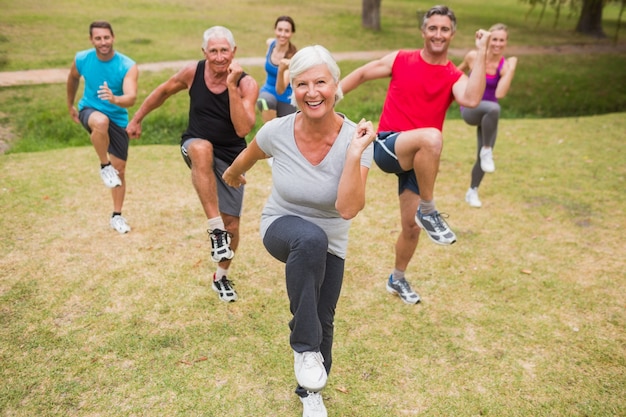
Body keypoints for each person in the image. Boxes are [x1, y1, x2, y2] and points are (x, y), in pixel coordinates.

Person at [223, 45, 375, 417]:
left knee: (324, 316)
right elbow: (250, 154)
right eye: (302, 83)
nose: (312, 91)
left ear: (335, 86)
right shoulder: (278, 131)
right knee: (309, 239)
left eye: (320, 82)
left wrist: (354, 155)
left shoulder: (358, 140)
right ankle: (305, 348)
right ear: (293, 90)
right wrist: (230, 175)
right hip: (282, 226)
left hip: (332, 240)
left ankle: (310, 393)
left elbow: (347, 209)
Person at [339, 5, 491, 304]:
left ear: (452, 34)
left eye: (444, 29)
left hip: (420, 158)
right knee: (433, 137)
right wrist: (328, 99)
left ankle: (397, 278)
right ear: (423, 31)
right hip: (388, 145)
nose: (438, 34)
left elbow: (472, 98)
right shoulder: (402, 59)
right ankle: (430, 209)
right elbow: (362, 74)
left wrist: (482, 51)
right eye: (432, 28)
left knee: (411, 228)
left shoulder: (452, 75)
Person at [126, 26, 258, 302]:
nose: (219, 57)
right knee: (202, 148)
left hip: (232, 156)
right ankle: (214, 229)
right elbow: (162, 92)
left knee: (232, 225)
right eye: (213, 51)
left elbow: (243, 128)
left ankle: (220, 276)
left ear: (234, 52)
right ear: (204, 52)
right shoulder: (192, 72)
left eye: (224, 50)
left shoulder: (246, 84)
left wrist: (231, 86)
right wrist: (137, 118)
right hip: (196, 144)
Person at [66, 21, 139, 234]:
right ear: (91, 40)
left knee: (121, 171)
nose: (103, 42)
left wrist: (115, 99)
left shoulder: (127, 65)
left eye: (106, 37)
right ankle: (103, 165)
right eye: (98, 38)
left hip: (118, 118)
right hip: (90, 110)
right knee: (100, 122)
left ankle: (117, 215)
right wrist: (70, 104)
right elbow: (72, 79)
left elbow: (131, 98)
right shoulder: (82, 58)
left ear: (113, 37)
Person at [458, 23, 518, 208]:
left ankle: (472, 191)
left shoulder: (504, 66)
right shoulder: (473, 56)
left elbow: (500, 93)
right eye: (494, 39)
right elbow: (454, 74)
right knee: (494, 109)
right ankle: (487, 149)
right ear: (488, 40)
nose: (497, 44)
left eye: (501, 40)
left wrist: (511, 69)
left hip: (488, 116)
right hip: (470, 109)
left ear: (506, 43)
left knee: (483, 158)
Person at [256, 16, 298, 124]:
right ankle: (267, 133)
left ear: (292, 33)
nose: (282, 34)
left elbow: (280, 90)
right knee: (266, 101)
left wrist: (281, 70)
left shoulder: (292, 58)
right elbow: (268, 41)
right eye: (280, 30)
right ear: (275, 30)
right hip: (267, 91)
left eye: (287, 31)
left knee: (286, 131)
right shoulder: (271, 44)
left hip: (285, 97)